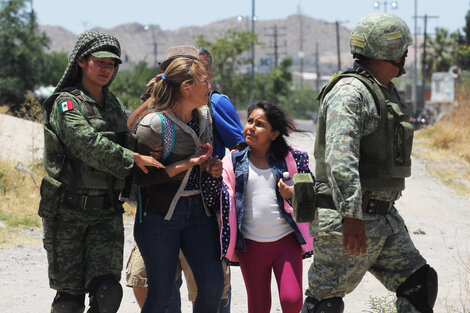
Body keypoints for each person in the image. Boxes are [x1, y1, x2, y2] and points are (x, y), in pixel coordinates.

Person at [300, 14, 438, 313]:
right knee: (324, 304)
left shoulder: (381, 89)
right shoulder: (350, 93)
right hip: (347, 221)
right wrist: (351, 216)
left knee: (419, 283)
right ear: (390, 51)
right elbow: (340, 157)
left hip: (383, 220)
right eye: (403, 49)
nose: (405, 55)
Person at [39, 31, 163, 313]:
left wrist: (148, 149)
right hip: (67, 213)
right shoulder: (65, 104)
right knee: (69, 301)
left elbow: (126, 137)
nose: (107, 69)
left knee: (108, 292)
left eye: (113, 64)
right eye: (101, 62)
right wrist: (132, 157)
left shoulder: (113, 104)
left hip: (106, 213)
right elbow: (86, 143)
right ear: (82, 62)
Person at [126, 45, 243, 312]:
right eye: (205, 81)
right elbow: (140, 179)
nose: (210, 86)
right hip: (160, 216)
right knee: (162, 292)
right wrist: (186, 163)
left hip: (199, 212)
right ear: (187, 88)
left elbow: (226, 153)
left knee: (213, 284)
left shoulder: (205, 117)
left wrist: (209, 166)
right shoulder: (154, 124)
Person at [206, 101, 314, 313]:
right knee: (258, 306)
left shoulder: (293, 158)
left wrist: (293, 194)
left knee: (292, 302)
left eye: (260, 124)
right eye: (249, 121)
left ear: (274, 134)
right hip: (251, 247)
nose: (251, 127)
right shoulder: (233, 162)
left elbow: (312, 192)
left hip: (286, 243)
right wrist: (212, 175)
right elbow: (214, 201)